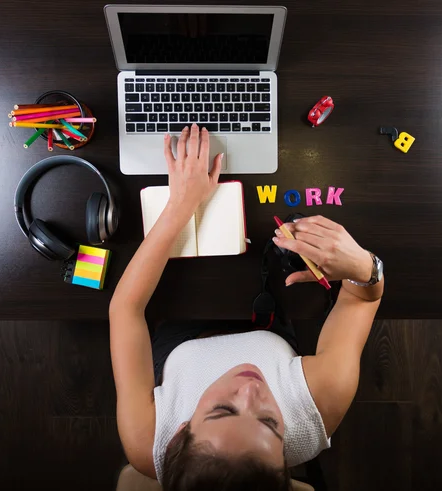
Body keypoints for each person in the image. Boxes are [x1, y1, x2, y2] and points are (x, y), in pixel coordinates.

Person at [109, 124, 384, 491]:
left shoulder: (146, 442)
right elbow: (364, 297)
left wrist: (181, 204)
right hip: (269, 330)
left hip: (177, 340)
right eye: (270, 423)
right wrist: (363, 268)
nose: (250, 390)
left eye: (223, 410)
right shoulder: (319, 400)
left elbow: (125, 311)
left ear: (177, 434)